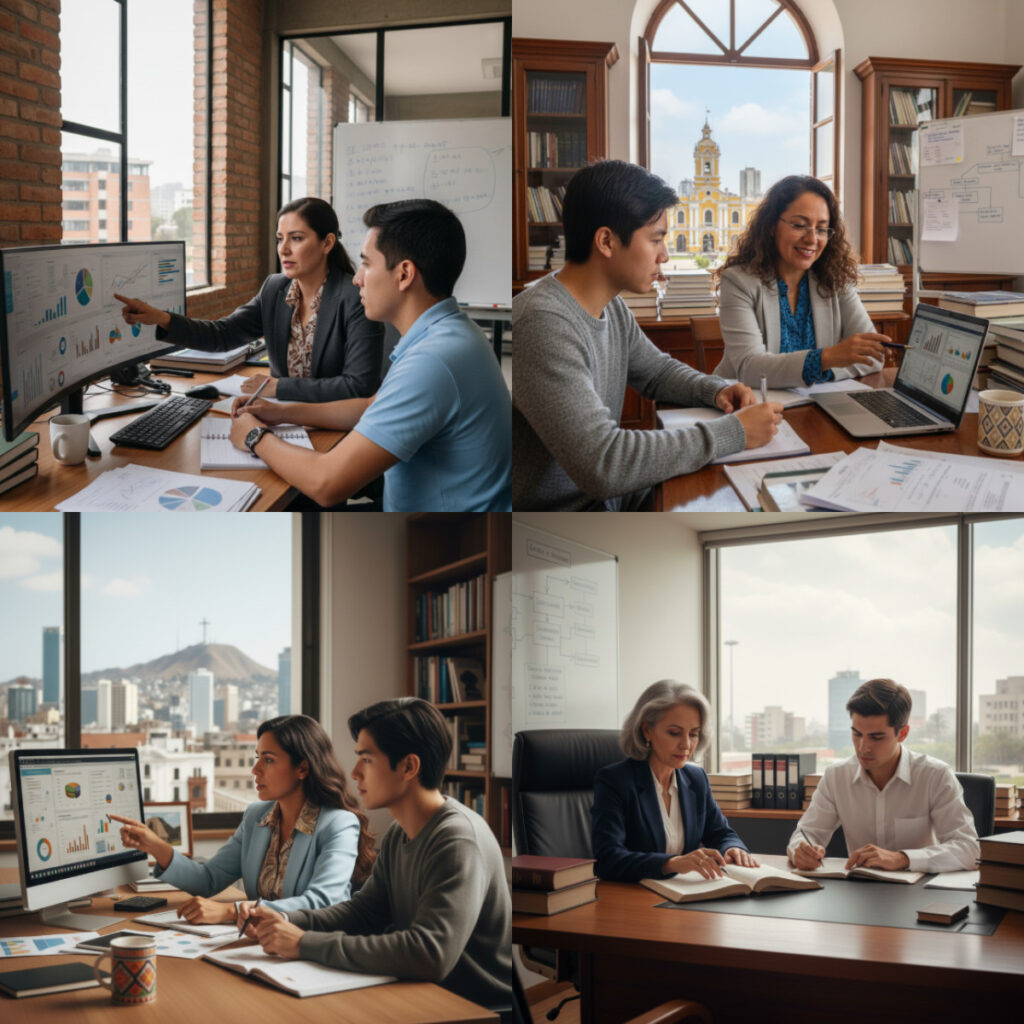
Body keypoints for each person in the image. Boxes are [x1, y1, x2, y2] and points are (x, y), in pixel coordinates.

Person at [512, 159, 782, 511]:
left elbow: (656, 372)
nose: (665, 256)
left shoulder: (609, 305)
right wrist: (734, 433)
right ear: (606, 241)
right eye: (656, 239)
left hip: (608, 501)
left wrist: (717, 390)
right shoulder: (542, 322)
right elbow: (604, 464)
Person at [226, 199, 511, 512]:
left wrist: (255, 435)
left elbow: (327, 483)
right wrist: (282, 413)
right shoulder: (448, 333)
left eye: (366, 264)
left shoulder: (432, 362)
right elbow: (370, 407)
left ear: (404, 274)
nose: (357, 278)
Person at [244, 698, 512, 1013]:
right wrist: (286, 919)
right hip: (415, 996)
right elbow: (364, 913)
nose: (354, 773)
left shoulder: (457, 840)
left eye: (366, 759)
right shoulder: (401, 832)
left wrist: (302, 943)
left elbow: (429, 953)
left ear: (409, 767)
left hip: (471, 1010)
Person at [111, 715, 374, 927]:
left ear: (302, 768)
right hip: (262, 943)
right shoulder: (256, 816)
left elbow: (323, 902)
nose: (255, 769)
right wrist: (156, 846)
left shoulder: (338, 824)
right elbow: (208, 879)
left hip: (312, 946)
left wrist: (231, 911)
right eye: (257, 757)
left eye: (268, 760)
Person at [115, 196, 383, 402]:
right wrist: (162, 319)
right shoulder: (275, 289)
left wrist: (278, 387)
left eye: (297, 238)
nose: (284, 249)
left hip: (334, 427)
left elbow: (358, 385)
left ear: (327, 243)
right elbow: (223, 335)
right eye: (280, 239)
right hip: (282, 418)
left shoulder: (354, 297)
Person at [713, 174, 888, 388]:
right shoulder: (738, 282)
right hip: (747, 405)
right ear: (771, 225)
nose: (812, 239)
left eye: (822, 229)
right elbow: (750, 368)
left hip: (813, 408)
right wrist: (826, 359)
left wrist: (824, 369)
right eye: (799, 225)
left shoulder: (835, 279)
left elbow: (874, 357)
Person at [788, 678, 979, 873]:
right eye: (857, 734)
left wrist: (903, 858)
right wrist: (801, 851)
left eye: (876, 737)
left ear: (902, 733)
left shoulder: (935, 776)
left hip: (920, 894)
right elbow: (806, 833)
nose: (863, 747)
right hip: (859, 892)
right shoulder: (835, 776)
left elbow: (970, 849)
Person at [591, 680, 758, 883]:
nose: (686, 745)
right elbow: (608, 859)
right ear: (646, 730)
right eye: (674, 733)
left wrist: (732, 848)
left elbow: (721, 832)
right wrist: (671, 863)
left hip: (685, 896)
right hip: (634, 898)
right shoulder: (615, 781)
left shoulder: (696, 779)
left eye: (693, 734)